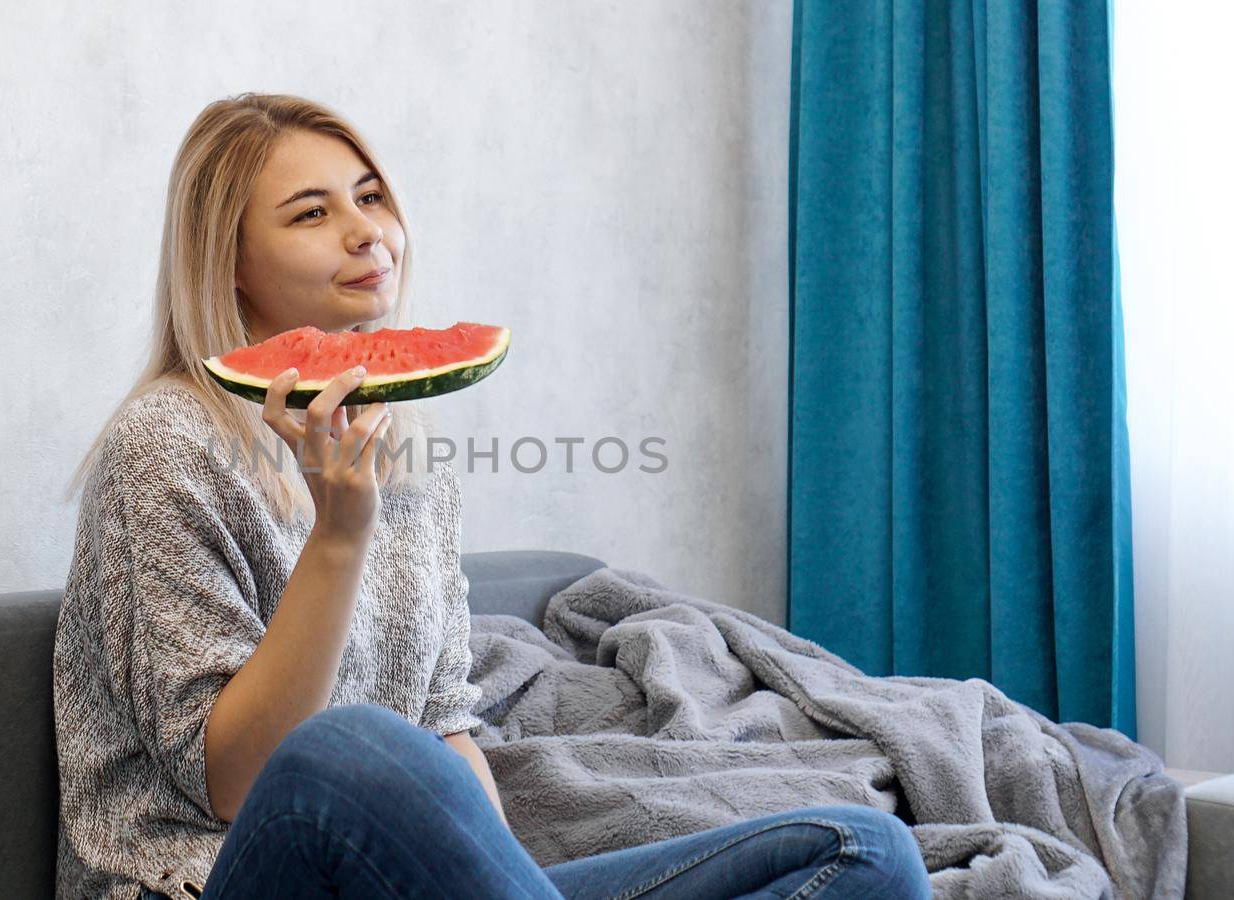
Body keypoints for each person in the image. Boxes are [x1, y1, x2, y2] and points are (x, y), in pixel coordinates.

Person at [52, 92, 932, 900]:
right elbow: (240, 781)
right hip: (212, 880)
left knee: (863, 851)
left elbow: (444, 727)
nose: (369, 232)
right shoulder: (164, 445)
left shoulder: (407, 450)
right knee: (351, 745)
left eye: (371, 196)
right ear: (231, 262)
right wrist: (339, 537)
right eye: (312, 213)